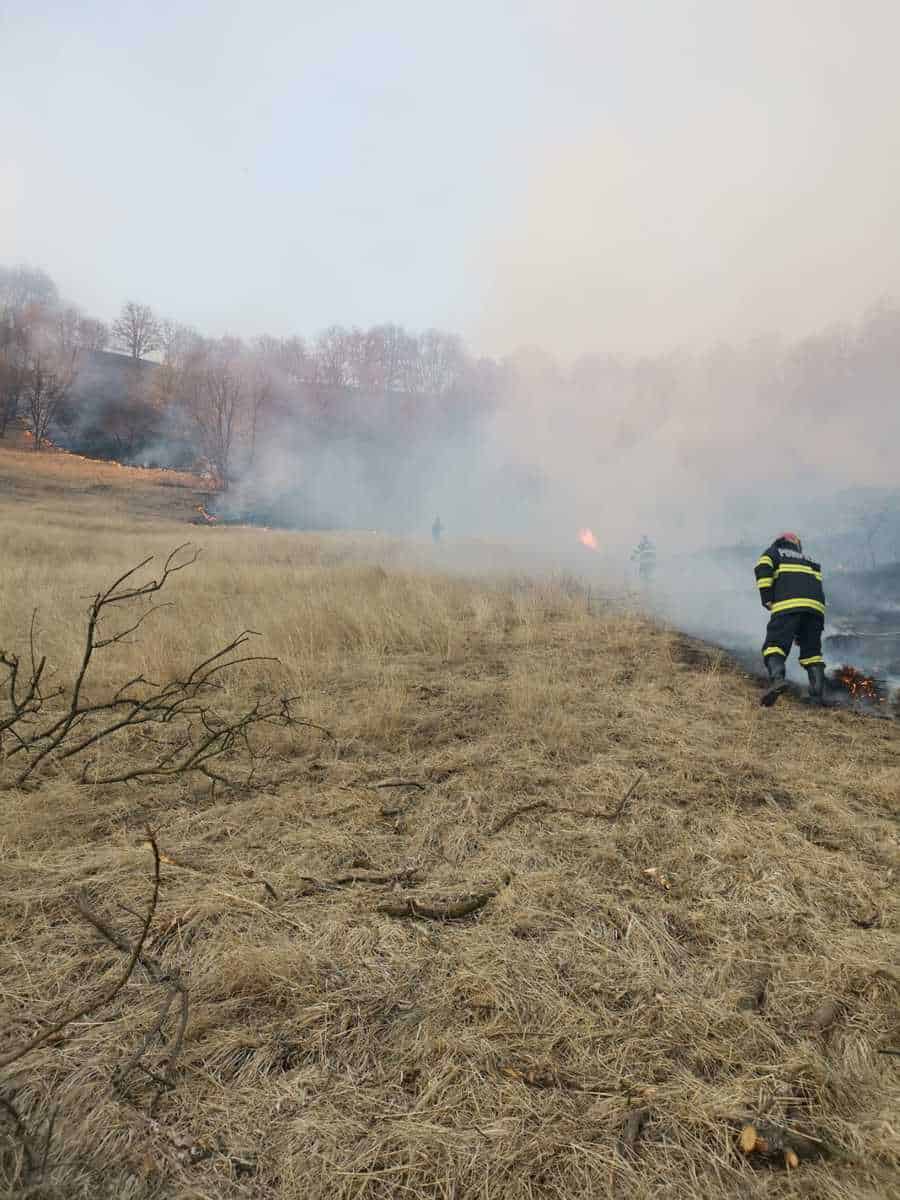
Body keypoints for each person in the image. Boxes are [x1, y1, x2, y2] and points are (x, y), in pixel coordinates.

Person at [754, 532, 826, 707]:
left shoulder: (775, 551)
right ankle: (816, 697)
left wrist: (767, 597)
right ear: (796, 543)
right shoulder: (810, 559)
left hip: (788, 605)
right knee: (812, 653)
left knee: (774, 645)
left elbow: (762, 568)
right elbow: (816, 586)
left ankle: (777, 680)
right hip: (816, 609)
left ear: (780, 541)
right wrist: (802, 629)